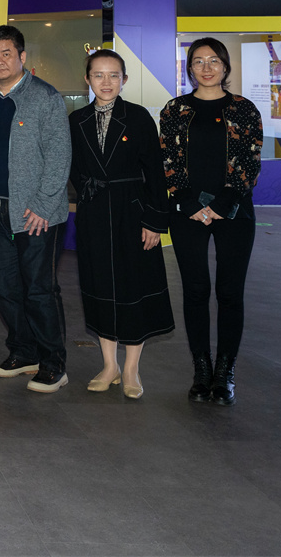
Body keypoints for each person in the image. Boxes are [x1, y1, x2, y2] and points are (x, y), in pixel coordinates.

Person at [160, 38, 262, 406]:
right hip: (187, 211)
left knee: (230, 293)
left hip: (234, 211)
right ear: (189, 68)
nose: (206, 67)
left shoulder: (244, 109)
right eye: (199, 61)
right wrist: (190, 203)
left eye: (214, 60)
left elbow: (250, 160)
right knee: (196, 290)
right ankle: (201, 370)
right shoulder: (175, 109)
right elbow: (168, 159)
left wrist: (222, 203)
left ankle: (225, 372)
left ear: (225, 66)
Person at [68, 49, 174, 399]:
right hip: (94, 214)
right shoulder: (77, 119)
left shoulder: (139, 117)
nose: (106, 82)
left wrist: (154, 221)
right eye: (98, 75)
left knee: (133, 287)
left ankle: (131, 369)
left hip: (133, 213)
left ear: (124, 79)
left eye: (114, 75)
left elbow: (155, 173)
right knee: (99, 286)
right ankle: (109, 365)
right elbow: (73, 166)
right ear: (87, 79)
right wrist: (85, 189)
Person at [0, 25, 72, 393]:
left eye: (6, 54)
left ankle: (53, 363)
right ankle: (23, 351)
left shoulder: (45, 97)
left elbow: (59, 156)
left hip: (35, 214)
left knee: (39, 290)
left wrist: (43, 205)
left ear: (22, 57)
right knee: (4, 287)